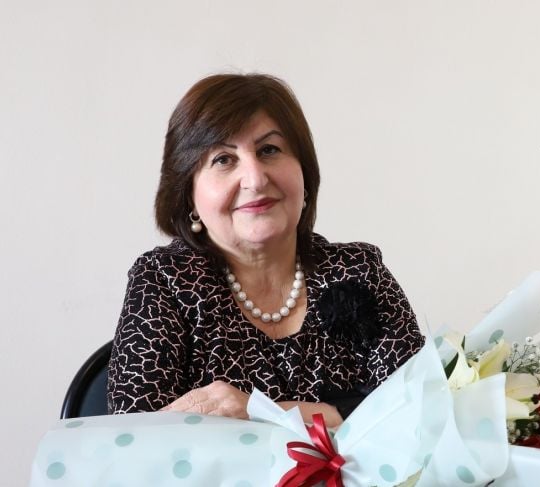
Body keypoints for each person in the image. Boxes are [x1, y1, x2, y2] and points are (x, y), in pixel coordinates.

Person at [107, 73, 424, 427]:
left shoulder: (358, 269)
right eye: (223, 159)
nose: (255, 179)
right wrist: (337, 414)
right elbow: (137, 435)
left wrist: (260, 412)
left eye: (269, 150)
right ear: (189, 195)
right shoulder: (165, 281)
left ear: (304, 174)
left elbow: (422, 408)